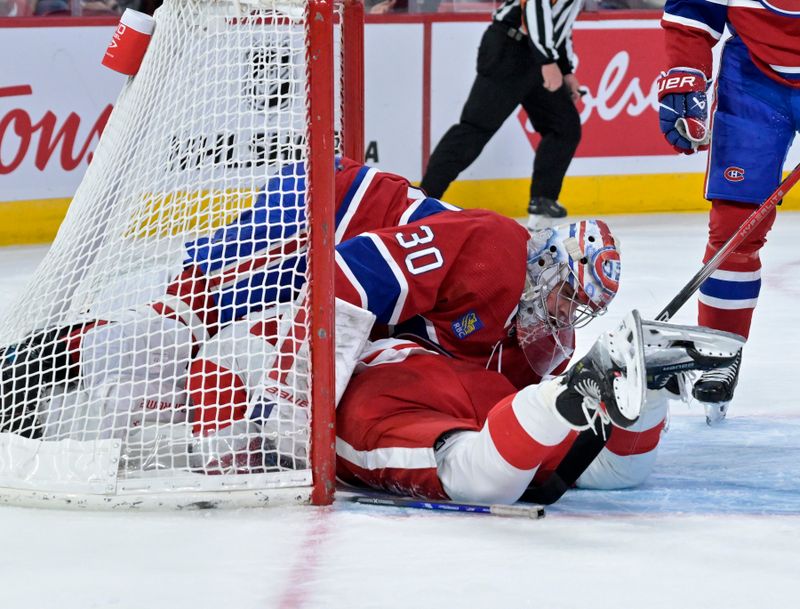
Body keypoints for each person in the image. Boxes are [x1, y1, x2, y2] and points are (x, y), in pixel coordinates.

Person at [1, 159, 742, 505]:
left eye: (575, 310)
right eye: (563, 298)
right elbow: (346, 277)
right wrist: (297, 411)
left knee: (206, 389)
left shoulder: (528, 332)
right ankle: (24, 370)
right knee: (164, 341)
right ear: (547, 266)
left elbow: (515, 414)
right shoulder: (494, 249)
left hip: (349, 291)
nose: (561, 318)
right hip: (317, 213)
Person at [657, 1, 800, 424]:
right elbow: (696, 11)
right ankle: (720, 349)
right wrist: (686, 73)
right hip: (753, 81)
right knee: (734, 229)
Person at [419, 0, 584, 230]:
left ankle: (543, 201)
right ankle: (423, 199)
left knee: (564, 126)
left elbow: (561, 21)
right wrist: (547, 60)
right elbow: (536, 5)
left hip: (534, 54)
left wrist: (565, 70)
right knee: (475, 128)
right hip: (510, 48)